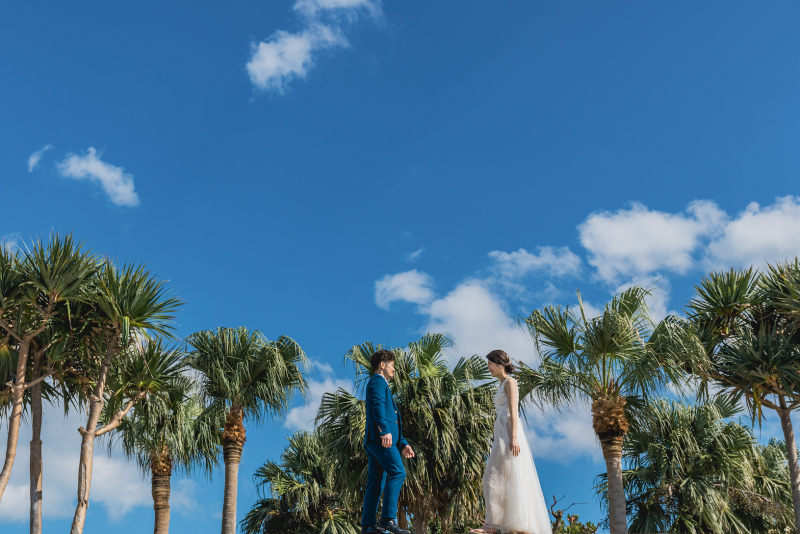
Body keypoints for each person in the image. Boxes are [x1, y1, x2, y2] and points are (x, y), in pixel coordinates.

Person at [471, 350, 552, 534]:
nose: (488, 367)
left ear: (500, 364)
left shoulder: (510, 382)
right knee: (500, 476)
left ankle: (492, 525)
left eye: (490, 363)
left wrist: (514, 437)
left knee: (494, 476)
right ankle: (498, 523)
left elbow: (514, 412)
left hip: (509, 432)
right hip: (501, 432)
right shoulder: (501, 385)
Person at [361, 349, 416, 534]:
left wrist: (403, 443)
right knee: (398, 472)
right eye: (392, 365)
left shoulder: (382, 384)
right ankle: (387, 520)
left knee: (375, 482)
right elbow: (377, 406)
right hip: (380, 439)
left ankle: (368, 526)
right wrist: (383, 431)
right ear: (383, 365)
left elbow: (391, 418)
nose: (394, 369)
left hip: (378, 439)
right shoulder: (377, 381)